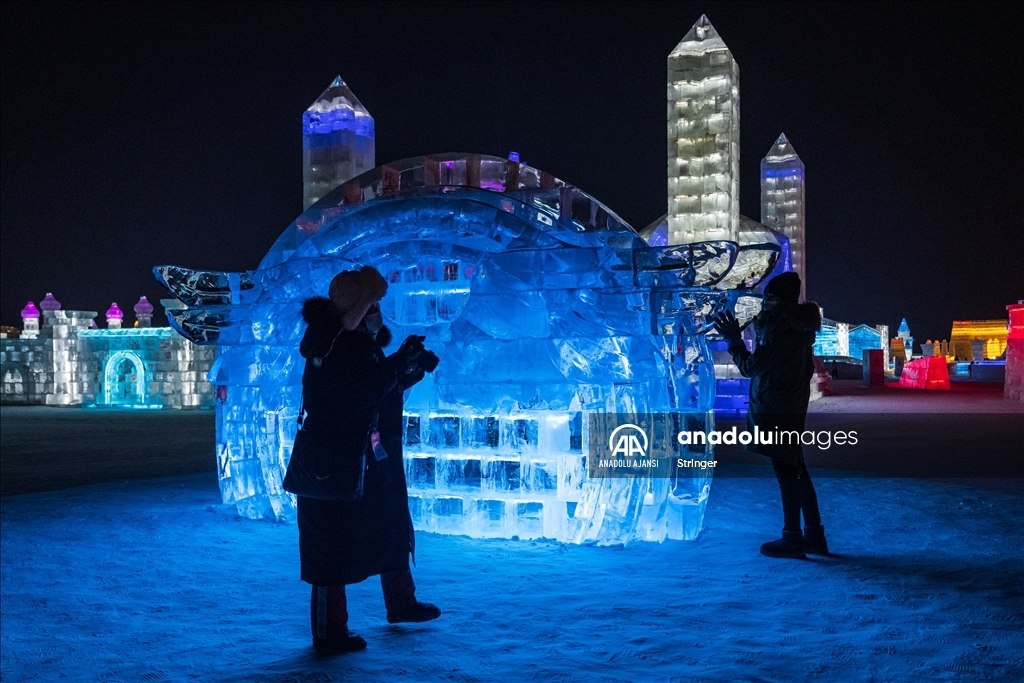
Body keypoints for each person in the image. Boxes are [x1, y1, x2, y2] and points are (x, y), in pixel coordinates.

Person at [296, 266, 441, 653]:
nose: (377, 312)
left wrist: (406, 368)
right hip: (334, 462)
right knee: (330, 546)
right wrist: (395, 367)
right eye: (372, 304)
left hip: (365, 456)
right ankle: (330, 631)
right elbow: (359, 393)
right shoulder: (332, 344)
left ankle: (402, 602)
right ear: (357, 307)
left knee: (389, 524)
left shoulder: (355, 342)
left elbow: (376, 390)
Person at [711, 271, 829, 559]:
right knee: (797, 471)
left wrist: (734, 340)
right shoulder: (799, 331)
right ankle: (813, 535)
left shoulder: (782, 332)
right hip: (789, 407)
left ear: (778, 301)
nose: (764, 303)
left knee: (787, 473)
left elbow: (751, 367)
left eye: (769, 298)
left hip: (778, 409)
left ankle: (793, 538)